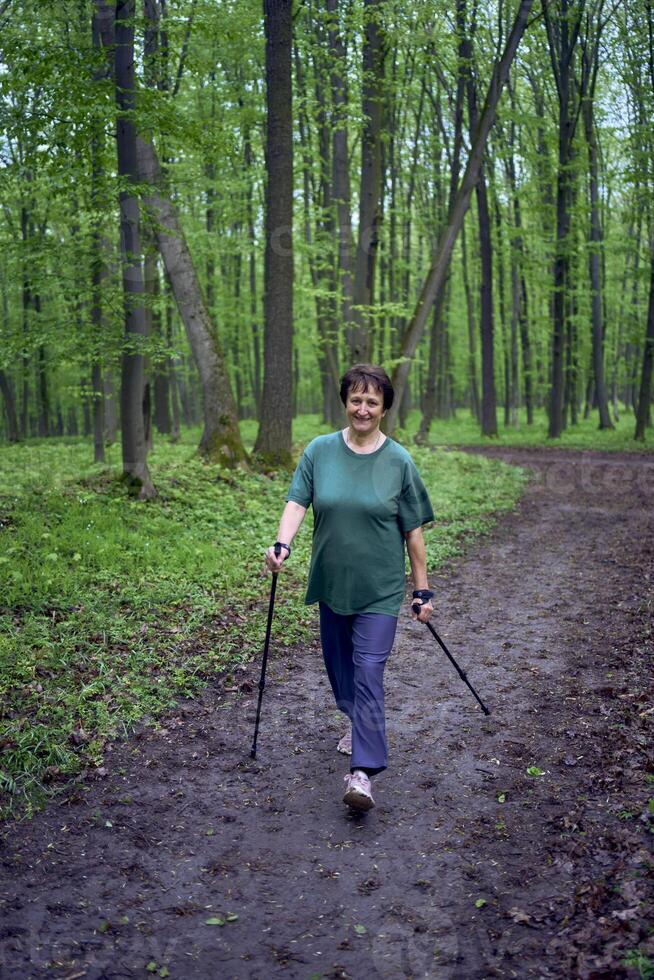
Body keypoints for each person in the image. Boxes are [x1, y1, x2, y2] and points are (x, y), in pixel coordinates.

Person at [264, 364, 435, 813]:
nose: (363, 409)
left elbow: (413, 533)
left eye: (372, 402)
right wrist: (282, 543)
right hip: (331, 583)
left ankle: (363, 774)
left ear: (384, 409)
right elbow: (297, 501)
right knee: (341, 670)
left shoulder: (399, 461)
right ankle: (356, 720)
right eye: (356, 400)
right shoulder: (320, 451)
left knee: (368, 672)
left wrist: (422, 590)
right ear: (345, 402)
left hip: (379, 590)